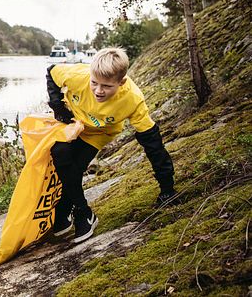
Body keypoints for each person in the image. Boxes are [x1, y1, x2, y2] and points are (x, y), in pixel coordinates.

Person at [46, 47, 176, 243]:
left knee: (77, 166)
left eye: (106, 86)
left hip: (100, 132)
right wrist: (58, 106)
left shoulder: (132, 99)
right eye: (94, 83)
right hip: (74, 123)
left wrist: (168, 188)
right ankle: (80, 210)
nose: (98, 91)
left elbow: (153, 144)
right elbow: (51, 71)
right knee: (60, 152)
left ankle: (68, 209)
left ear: (121, 82)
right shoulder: (77, 75)